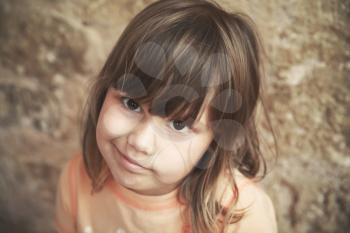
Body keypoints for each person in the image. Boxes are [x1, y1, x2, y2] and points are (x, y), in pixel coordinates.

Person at [54, 0, 278, 232]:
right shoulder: (76, 180)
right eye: (131, 104)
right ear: (105, 90)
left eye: (178, 124)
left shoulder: (241, 216)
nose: (139, 142)